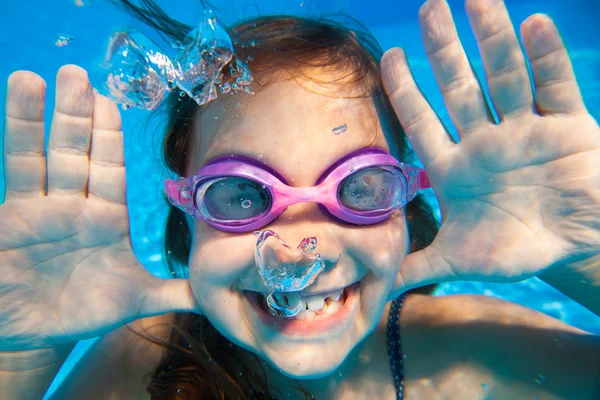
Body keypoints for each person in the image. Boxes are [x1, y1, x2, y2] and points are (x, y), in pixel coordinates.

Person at [2, 0, 599, 399]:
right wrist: (20, 365)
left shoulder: (471, 347)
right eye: (240, 195)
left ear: (405, 205)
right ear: (188, 216)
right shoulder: (147, 358)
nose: (295, 251)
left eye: (358, 188)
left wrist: (586, 264)